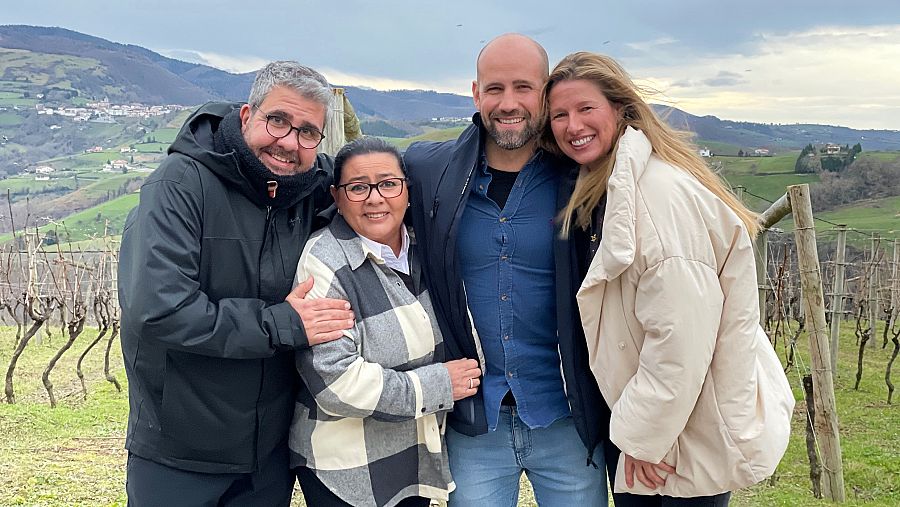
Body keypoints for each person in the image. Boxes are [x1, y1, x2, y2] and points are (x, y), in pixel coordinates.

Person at [542, 51, 795, 506]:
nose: (572, 125)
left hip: (678, 435)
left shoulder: (658, 197)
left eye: (585, 109)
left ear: (620, 109)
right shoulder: (614, 186)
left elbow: (680, 341)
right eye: (559, 114)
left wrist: (640, 438)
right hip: (668, 426)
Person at [118, 61, 356, 506]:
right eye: (278, 121)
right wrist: (283, 324)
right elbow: (160, 310)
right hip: (178, 456)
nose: (289, 142)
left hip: (266, 459)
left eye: (307, 132)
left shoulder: (309, 192)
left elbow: (372, 197)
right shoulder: (180, 186)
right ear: (247, 116)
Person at [405, 34, 612, 506]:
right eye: (495, 89)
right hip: (475, 422)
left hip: (567, 418)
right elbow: (354, 192)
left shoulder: (586, 178)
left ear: (546, 92)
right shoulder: (426, 171)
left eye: (524, 87)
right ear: (475, 94)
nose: (508, 102)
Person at [288, 137, 481, 507]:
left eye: (388, 183)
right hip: (349, 472)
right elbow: (337, 383)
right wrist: (439, 384)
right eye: (358, 187)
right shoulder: (325, 262)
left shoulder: (426, 249)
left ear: (407, 189)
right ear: (337, 197)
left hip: (413, 461)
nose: (375, 198)